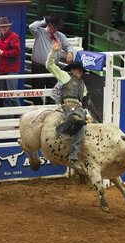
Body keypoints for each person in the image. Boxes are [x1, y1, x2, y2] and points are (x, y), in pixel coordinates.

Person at [46, 40, 88, 170]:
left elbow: (85, 98)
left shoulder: (82, 85)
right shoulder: (65, 76)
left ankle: (75, 153)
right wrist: (53, 51)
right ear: (73, 70)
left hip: (79, 107)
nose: (81, 73)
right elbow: (50, 65)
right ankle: (63, 132)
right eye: (80, 71)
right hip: (68, 106)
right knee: (77, 119)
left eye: (82, 71)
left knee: (82, 125)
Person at [29, 15, 74, 105]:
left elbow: (68, 45)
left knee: (53, 92)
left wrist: (70, 52)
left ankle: (50, 110)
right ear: (49, 25)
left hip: (52, 68)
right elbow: (31, 26)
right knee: (37, 92)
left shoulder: (60, 36)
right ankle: (39, 111)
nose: (56, 29)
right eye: (55, 27)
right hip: (39, 67)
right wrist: (44, 21)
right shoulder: (39, 32)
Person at [0, 17, 21, 107]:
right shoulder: (0, 38)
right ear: (0, 28)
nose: (4, 28)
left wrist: (2, 52)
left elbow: (17, 52)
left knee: (12, 95)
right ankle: (7, 116)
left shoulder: (14, 37)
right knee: (5, 95)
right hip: (3, 69)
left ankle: (17, 115)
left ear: (8, 26)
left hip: (11, 69)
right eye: (2, 26)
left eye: (5, 26)